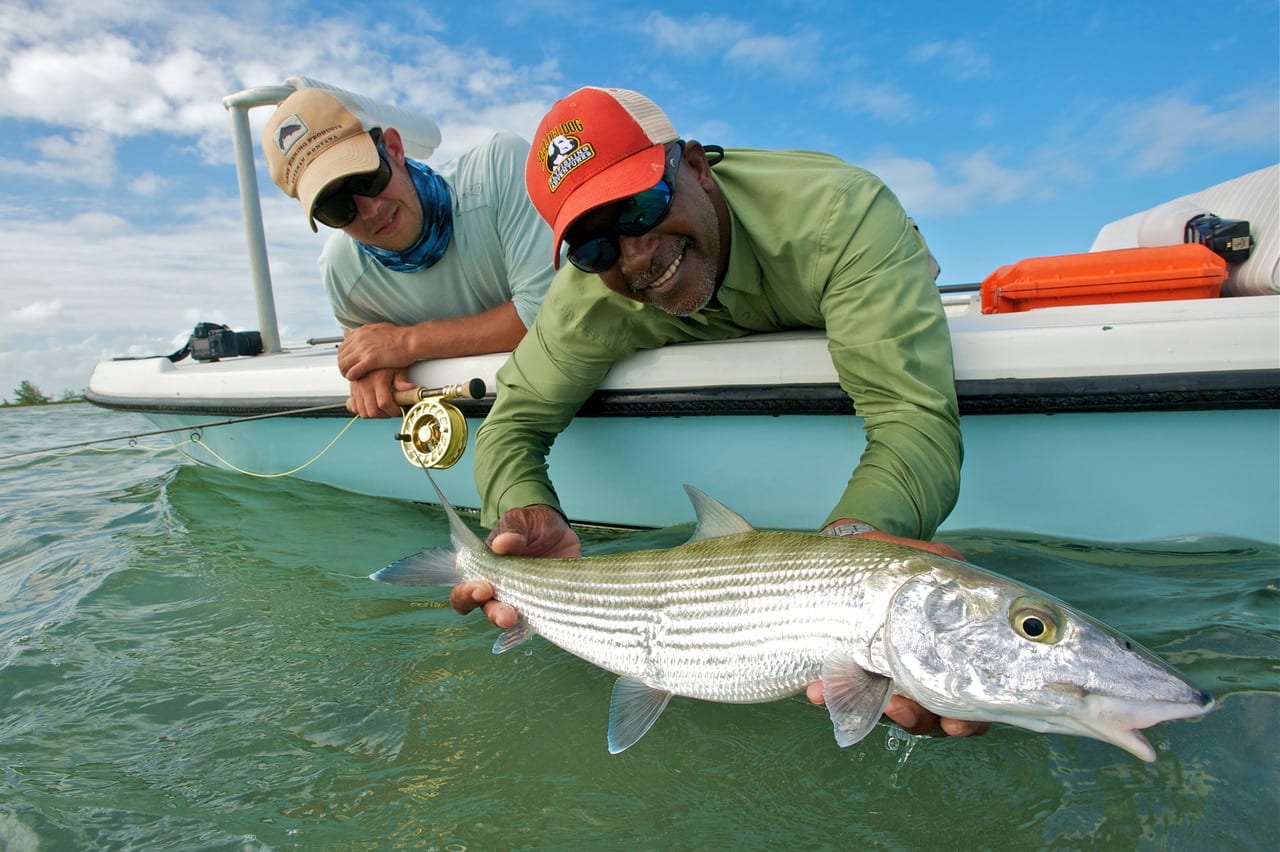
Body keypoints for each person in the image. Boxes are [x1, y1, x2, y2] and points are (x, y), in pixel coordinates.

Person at [452, 87, 985, 739]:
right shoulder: (587, 301)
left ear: (698, 168)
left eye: (642, 207)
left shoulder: (840, 213)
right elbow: (512, 425)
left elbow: (908, 417)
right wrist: (526, 510)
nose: (635, 256)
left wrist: (848, 561)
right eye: (594, 248)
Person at [262, 87, 555, 418]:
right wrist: (369, 369)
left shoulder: (499, 166)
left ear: (394, 147)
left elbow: (549, 314)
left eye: (368, 178)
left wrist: (405, 344)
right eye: (336, 207)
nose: (370, 210)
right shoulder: (341, 271)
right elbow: (368, 354)